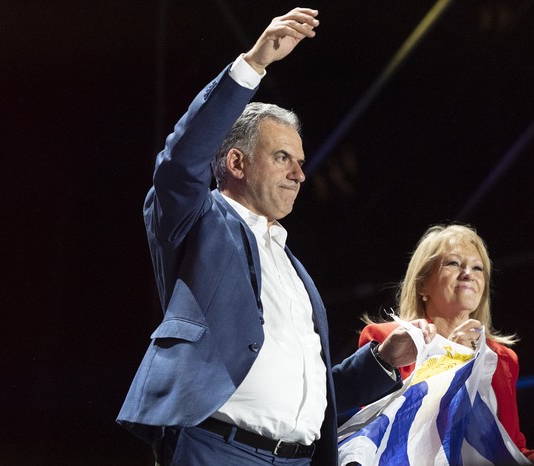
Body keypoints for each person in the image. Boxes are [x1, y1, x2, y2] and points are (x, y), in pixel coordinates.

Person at [117, 8, 434, 466]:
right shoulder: (198, 221)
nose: (301, 174)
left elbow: (317, 395)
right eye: (283, 157)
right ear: (236, 163)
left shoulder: (293, 269)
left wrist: (382, 362)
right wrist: (253, 64)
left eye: (301, 161)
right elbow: (180, 163)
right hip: (217, 451)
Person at [358, 224, 534, 463]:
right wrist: (449, 361)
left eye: (477, 268)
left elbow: (508, 445)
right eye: (453, 264)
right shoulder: (386, 338)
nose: (468, 273)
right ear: (422, 285)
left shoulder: (501, 358)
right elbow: (378, 434)